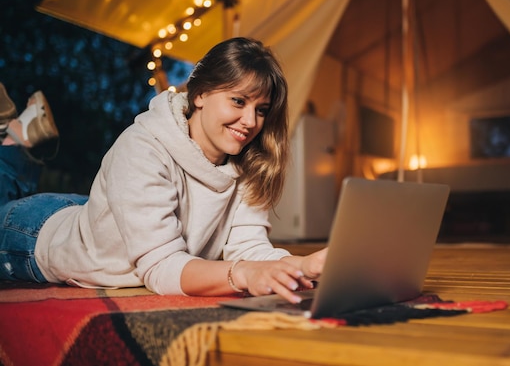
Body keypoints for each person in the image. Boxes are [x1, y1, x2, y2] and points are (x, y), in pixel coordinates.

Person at [0, 37, 327, 303]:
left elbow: (250, 249)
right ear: (200, 94)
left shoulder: (248, 164)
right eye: (239, 102)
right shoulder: (142, 147)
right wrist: (241, 273)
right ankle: (15, 141)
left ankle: (18, 139)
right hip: (40, 235)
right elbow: (162, 267)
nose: (251, 122)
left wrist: (303, 266)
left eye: (262, 110)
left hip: (99, 217)